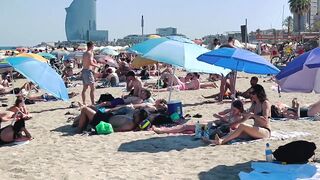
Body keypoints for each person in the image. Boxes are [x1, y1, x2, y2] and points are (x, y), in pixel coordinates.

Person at [152, 100, 244, 134]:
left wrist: (222, 119)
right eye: (232, 109)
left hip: (214, 129)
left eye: (234, 109)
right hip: (214, 125)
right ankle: (187, 131)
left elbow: (231, 126)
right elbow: (218, 113)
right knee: (192, 126)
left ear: (239, 109)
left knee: (186, 126)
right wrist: (227, 111)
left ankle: (162, 130)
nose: (232, 111)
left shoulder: (239, 118)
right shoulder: (231, 113)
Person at [76, 106, 147, 133]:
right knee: (90, 107)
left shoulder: (130, 125)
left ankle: (79, 129)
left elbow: (115, 129)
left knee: (85, 109)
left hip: (102, 121)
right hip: (106, 116)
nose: (136, 112)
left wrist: (98, 130)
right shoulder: (132, 120)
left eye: (137, 113)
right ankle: (78, 123)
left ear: (139, 116)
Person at [81, 41, 100, 105]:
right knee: (92, 88)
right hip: (88, 72)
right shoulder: (90, 53)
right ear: (92, 46)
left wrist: (93, 62)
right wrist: (97, 65)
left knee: (85, 88)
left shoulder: (85, 53)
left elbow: (85, 62)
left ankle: (84, 102)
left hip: (84, 71)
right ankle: (92, 102)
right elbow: (90, 63)